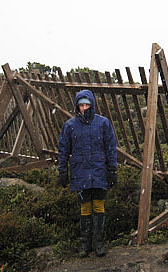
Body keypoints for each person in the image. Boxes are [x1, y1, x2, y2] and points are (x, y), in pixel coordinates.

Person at [58, 89, 117, 257]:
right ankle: (85, 244)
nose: (84, 108)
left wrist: (112, 169)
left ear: (92, 105)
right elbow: (63, 150)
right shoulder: (70, 125)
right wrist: (63, 171)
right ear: (77, 106)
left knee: (98, 205)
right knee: (85, 206)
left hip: (99, 171)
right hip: (80, 172)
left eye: (87, 104)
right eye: (81, 105)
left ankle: (98, 243)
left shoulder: (103, 123)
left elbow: (111, 147)